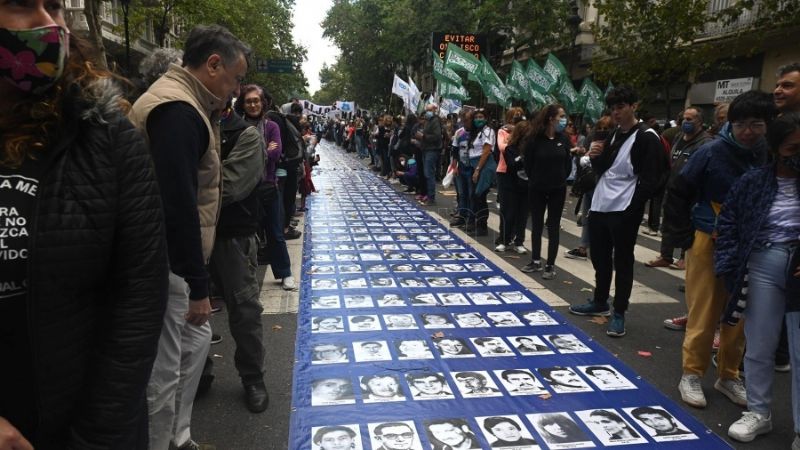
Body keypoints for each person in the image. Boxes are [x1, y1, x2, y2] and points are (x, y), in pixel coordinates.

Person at [0, 2, 168, 448]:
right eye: (18, 5)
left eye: (54, 4)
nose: (49, 22)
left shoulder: (107, 137)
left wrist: (98, 438)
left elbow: (138, 298)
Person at [129, 24, 249, 450]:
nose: (236, 91)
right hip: (161, 260)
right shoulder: (178, 111)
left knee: (194, 340)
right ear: (213, 65)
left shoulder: (187, 105)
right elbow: (177, 203)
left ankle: (177, 436)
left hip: (170, 258)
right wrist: (197, 284)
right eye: (236, 79)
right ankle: (162, 440)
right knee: (163, 369)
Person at [665, 90, 776, 410]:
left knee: (739, 315)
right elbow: (678, 192)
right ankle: (692, 373)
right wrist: (683, 237)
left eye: (757, 124)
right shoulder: (711, 152)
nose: (748, 131)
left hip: (750, 244)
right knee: (704, 310)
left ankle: (729, 374)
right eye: (741, 124)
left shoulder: (769, 154)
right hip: (706, 239)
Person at [715, 112, 800, 444]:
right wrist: (729, 269)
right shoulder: (753, 181)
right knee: (759, 344)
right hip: (762, 264)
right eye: (793, 148)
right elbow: (729, 226)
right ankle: (759, 412)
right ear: (778, 148)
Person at [568, 86, 666, 338]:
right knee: (599, 256)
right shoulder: (613, 134)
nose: (616, 113)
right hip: (601, 203)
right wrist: (597, 157)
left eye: (621, 107)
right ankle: (600, 300)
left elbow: (652, 178)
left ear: (634, 106)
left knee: (622, 260)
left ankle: (619, 311)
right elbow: (604, 169)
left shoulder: (647, 137)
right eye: (613, 109)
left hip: (624, 207)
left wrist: (634, 208)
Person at [209, 100, 268, 413]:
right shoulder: (184, 122)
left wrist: (180, 191)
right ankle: (199, 372)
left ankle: (252, 377)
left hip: (231, 234)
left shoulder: (244, 135)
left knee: (244, 310)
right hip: (187, 233)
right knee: (188, 311)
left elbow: (229, 188)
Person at [235, 85, 297, 290]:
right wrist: (264, 148)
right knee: (246, 236)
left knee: (275, 232)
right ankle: (245, 278)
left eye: (256, 100)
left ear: (263, 103)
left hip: (269, 187)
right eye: (248, 101)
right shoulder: (237, 126)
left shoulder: (272, 127)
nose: (253, 104)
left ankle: (285, 273)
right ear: (242, 104)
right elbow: (236, 158)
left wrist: (255, 152)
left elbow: (276, 154)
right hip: (244, 190)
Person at [520, 104, 572, 280]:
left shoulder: (564, 139)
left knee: (553, 226)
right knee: (536, 224)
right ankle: (535, 260)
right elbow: (528, 164)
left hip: (558, 188)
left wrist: (560, 179)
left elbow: (568, 164)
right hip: (537, 188)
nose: (564, 120)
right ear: (551, 118)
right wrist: (536, 179)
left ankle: (550, 264)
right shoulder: (534, 140)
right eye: (561, 116)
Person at [450, 109, 496, 235]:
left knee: (478, 196)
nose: (478, 120)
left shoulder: (488, 131)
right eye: (476, 117)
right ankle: (476, 223)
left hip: (481, 167)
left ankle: (480, 226)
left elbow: (485, 152)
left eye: (481, 117)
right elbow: (456, 150)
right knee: (474, 196)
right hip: (470, 165)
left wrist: (477, 169)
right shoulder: (474, 132)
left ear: (486, 118)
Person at [496, 109, 529, 253]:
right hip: (509, 182)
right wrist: (521, 157)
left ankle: (519, 241)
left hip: (526, 184)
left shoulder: (530, 148)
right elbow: (512, 164)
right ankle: (504, 239)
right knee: (508, 211)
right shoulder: (510, 147)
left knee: (522, 214)